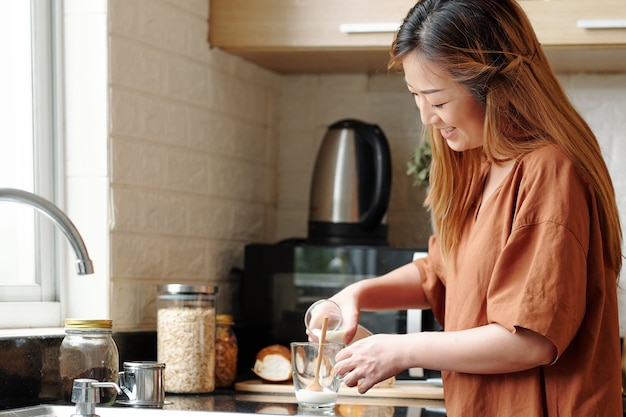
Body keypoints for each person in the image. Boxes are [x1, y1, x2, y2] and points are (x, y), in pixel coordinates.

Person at [323, 0, 624, 415]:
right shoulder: (480, 162)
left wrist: (401, 350)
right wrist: (355, 294)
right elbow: (443, 271)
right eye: (416, 95)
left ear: (497, 86)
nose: (427, 117)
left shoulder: (549, 170)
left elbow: (530, 339)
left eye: (438, 100)